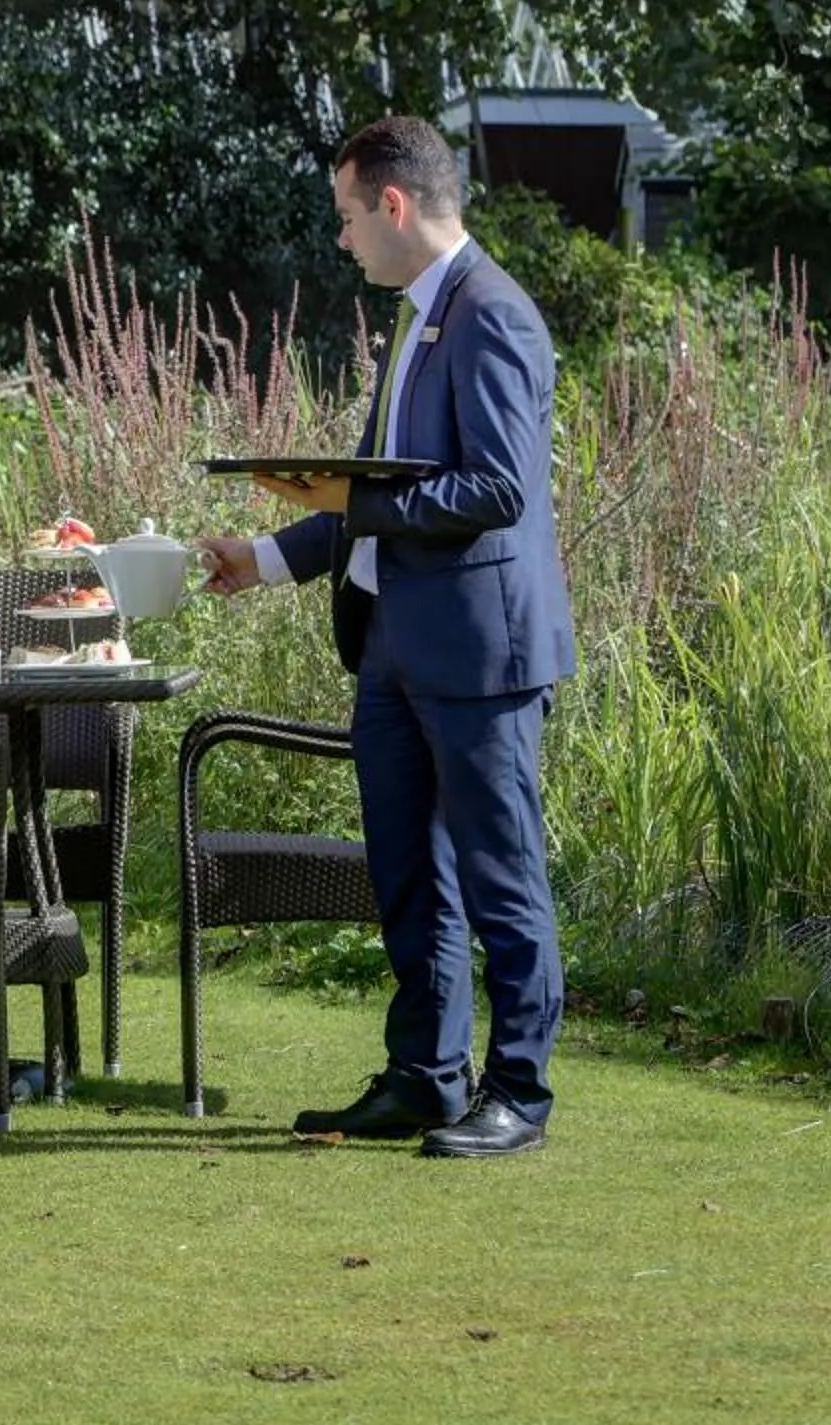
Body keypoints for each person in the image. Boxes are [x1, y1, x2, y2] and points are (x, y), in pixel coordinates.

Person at [195, 114, 574, 1158]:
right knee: (409, 875)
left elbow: (495, 489)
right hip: (395, 649)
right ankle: (425, 1074)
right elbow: (373, 491)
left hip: (479, 653)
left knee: (500, 877)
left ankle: (521, 1094)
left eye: (348, 215)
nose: (342, 237)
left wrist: (352, 508)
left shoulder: (494, 315)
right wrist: (267, 555)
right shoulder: (416, 318)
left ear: (395, 204)